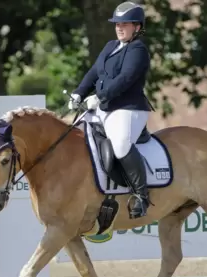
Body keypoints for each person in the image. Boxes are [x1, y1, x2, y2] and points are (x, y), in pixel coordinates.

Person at [68, 1, 151, 219]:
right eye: (117, 24)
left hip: (128, 108)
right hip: (104, 108)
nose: (119, 27)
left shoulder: (138, 50)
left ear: (137, 26)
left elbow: (125, 79)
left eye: (124, 24)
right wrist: (79, 93)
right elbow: (94, 73)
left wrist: (99, 96)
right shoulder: (110, 46)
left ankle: (142, 196)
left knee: (120, 144)